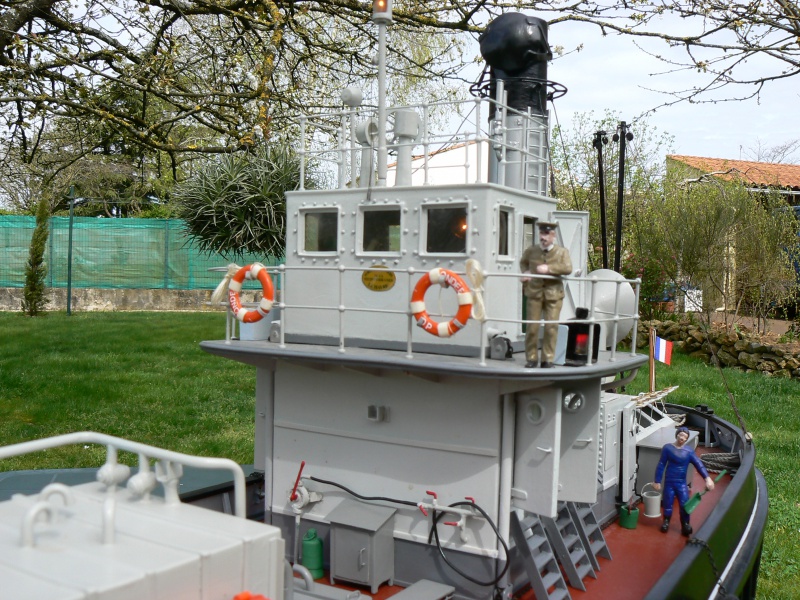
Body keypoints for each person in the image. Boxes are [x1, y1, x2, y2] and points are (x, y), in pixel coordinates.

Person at [519, 221, 573, 368]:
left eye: (546, 234)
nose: (543, 237)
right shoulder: (532, 251)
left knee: (551, 327)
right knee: (532, 327)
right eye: (542, 233)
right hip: (535, 293)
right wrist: (526, 273)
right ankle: (531, 358)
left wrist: (549, 268)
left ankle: (547, 359)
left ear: (553, 235)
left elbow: (568, 268)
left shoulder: (562, 252)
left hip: (553, 295)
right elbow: (523, 262)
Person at [652, 426, 716, 536]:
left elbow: (699, 465)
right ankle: (666, 521)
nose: (682, 438)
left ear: (687, 439)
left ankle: (685, 523)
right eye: (680, 435)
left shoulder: (689, 451)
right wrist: (657, 480)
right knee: (667, 502)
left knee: (684, 503)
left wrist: (707, 478)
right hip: (669, 482)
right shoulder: (667, 448)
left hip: (681, 483)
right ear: (677, 435)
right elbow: (661, 464)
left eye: (684, 437)